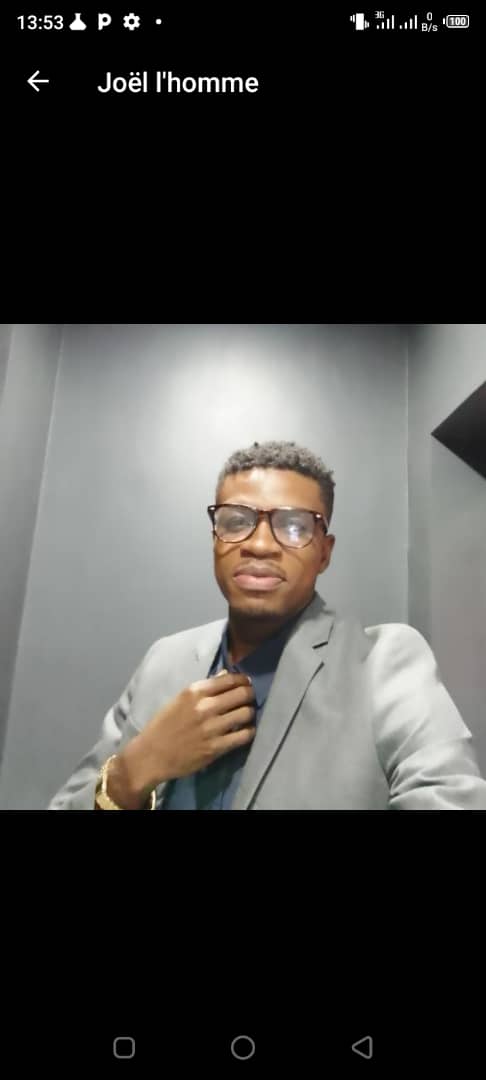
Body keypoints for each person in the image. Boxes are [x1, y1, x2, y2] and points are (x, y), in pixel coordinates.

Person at [48, 439, 486, 810]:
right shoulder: (164, 660)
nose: (259, 544)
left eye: (294, 526)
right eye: (236, 521)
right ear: (215, 538)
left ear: (324, 552)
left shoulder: (383, 662)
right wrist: (132, 772)